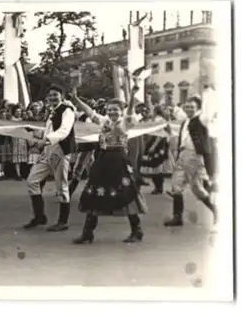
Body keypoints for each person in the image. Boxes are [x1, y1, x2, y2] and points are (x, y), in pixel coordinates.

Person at [71, 82, 148, 244]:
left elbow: (130, 110)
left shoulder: (126, 121)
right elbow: (89, 112)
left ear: (121, 111)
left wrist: (132, 95)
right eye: (110, 109)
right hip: (103, 159)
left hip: (119, 160)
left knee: (125, 192)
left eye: (115, 109)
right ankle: (88, 232)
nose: (112, 112)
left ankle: (137, 229)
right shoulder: (104, 121)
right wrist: (76, 98)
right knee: (94, 192)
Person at [23, 84, 76, 232]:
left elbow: (64, 130)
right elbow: (49, 131)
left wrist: (46, 139)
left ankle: (63, 221)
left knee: (61, 185)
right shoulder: (53, 111)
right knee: (32, 180)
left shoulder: (67, 110)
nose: (53, 97)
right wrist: (34, 131)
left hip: (59, 150)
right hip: (48, 150)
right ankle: (40, 216)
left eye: (56, 95)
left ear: (62, 96)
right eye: (50, 95)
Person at [163, 96, 218, 227]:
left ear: (197, 108)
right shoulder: (185, 122)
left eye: (191, 107)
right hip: (183, 155)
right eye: (186, 106)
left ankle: (216, 211)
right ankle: (178, 217)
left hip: (193, 156)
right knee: (183, 187)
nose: (188, 109)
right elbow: (181, 136)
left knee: (192, 187)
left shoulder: (201, 120)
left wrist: (208, 94)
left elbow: (207, 115)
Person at [140, 105, 174, 194]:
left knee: (155, 165)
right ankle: (159, 186)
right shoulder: (160, 119)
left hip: (157, 142)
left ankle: (158, 187)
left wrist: (153, 146)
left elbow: (160, 134)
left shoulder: (159, 120)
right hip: (159, 142)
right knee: (156, 165)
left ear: (155, 111)